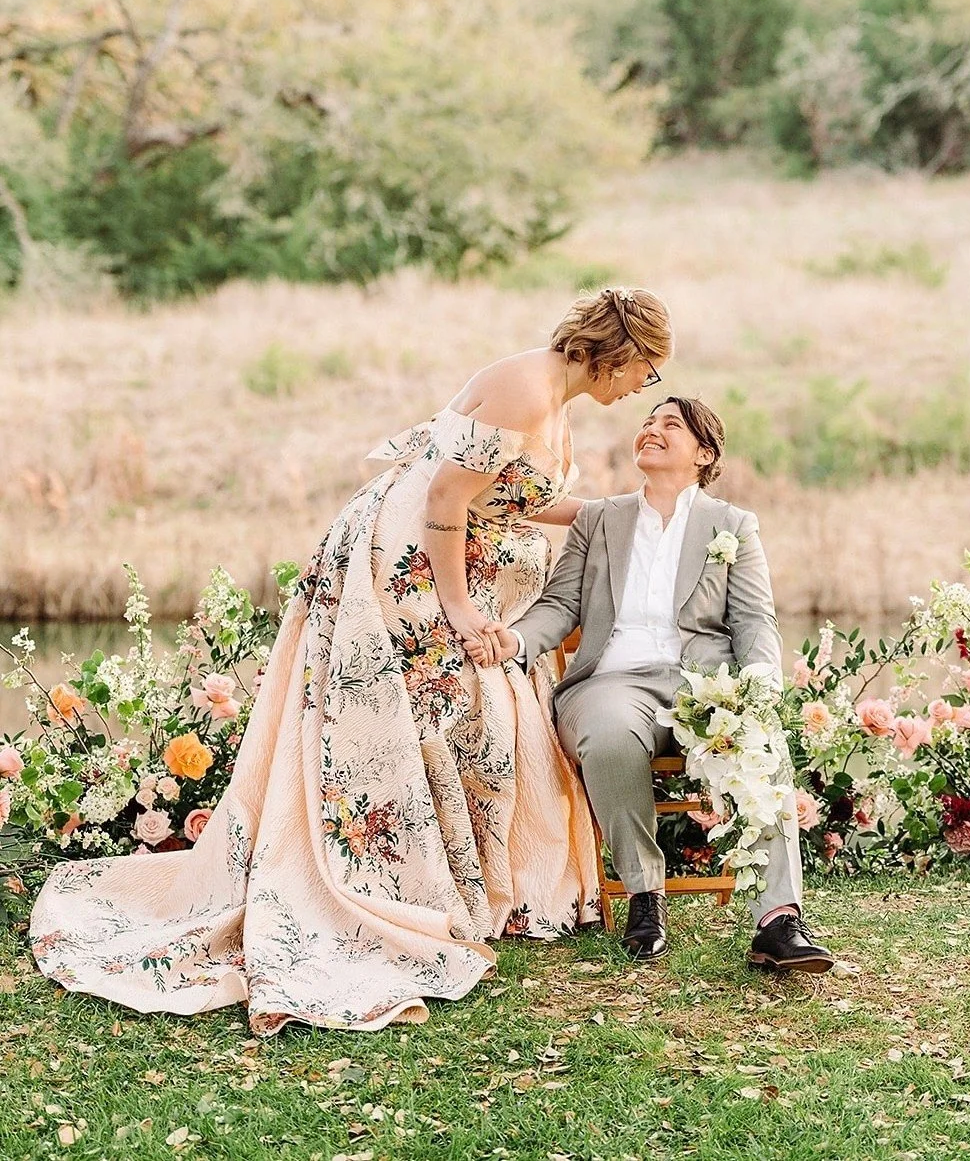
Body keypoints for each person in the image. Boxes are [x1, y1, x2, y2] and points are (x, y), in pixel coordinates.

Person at [29, 287, 673, 1034]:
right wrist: (460, 607)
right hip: (409, 567)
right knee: (423, 714)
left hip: (441, 564)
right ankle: (390, 881)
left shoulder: (548, 397)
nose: (638, 391)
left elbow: (507, 498)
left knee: (455, 719)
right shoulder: (525, 388)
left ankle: (457, 881)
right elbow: (444, 499)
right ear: (620, 351)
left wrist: (611, 511)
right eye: (645, 372)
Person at [467, 396, 834, 971]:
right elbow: (561, 603)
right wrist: (517, 640)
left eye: (671, 425)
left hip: (704, 684)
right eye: (648, 421)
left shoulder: (732, 526)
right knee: (611, 735)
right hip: (613, 682)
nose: (652, 430)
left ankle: (779, 921)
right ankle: (645, 895)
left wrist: (757, 687)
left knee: (760, 744)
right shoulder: (599, 518)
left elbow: (754, 621)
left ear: (703, 453)